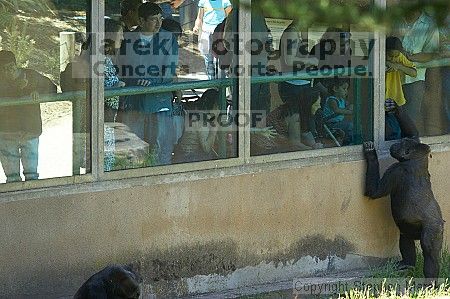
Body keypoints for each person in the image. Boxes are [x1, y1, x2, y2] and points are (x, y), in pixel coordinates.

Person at [118, 2, 179, 166]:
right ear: (141, 20)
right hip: (134, 102)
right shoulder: (127, 39)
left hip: (159, 101)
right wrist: (136, 80)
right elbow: (121, 69)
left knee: (161, 149)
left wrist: (152, 81)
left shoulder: (168, 39)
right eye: (153, 20)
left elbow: (170, 70)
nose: (159, 24)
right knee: (133, 150)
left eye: (160, 19)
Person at [0, 50, 57, 182]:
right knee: (12, 178)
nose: (8, 72)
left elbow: (52, 88)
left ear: (16, 64)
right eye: (4, 69)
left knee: (32, 176)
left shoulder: (31, 76)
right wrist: (18, 88)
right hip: (6, 133)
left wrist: (38, 91)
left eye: (10, 67)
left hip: (29, 131)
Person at [278, 22, 325, 149]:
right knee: (297, 119)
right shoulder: (291, 33)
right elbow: (289, 60)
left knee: (306, 119)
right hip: (293, 86)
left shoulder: (298, 33)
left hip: (301, 84)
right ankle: (304, 147)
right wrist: (310, 60)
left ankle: (312, 146)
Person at [397, 6, 440, 135]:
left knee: (410, 119)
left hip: (414, 80)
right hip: (392, 78)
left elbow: (431, 53)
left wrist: (408, 57)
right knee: (389, 118)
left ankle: (408, 148)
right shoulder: (395, 19)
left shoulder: (429, 24)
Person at [104, 18, 126, 172]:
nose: (123, 38)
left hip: (109, 118)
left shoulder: (109, 59)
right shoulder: (101, 60)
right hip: (102, 120)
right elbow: (98, 89)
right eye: (120, 34)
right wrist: (117, 86)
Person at [384, 36, 417, 140]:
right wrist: (386, 63)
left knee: (396, 129)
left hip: (395, 98)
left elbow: (414, 73)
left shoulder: (399, 58)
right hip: (380, 97)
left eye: (396, 56)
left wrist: (399, 66)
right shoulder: (377, 57)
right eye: (390, 56)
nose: (393, 59)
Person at [173, 89, 219, 163]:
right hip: (189, 158)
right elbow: (206, 148)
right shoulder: (202, 120)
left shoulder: (199, 114)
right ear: (215, 105)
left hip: (183, 155)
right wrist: (214, 129)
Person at [193, 0, 232, 79]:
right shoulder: (203, 1)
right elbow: (199, 17)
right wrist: (196, 26)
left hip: (219, 33)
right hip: (206, 32)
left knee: (218, 59)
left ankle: (221, 82)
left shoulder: (225, 2)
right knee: (208, 58)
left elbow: (230, 19)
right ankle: (211, 81)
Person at [321, 78, 353, 145]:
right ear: (335, 89)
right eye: (344, 89)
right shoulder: (332, 100)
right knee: (350, 125)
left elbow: (345, 108)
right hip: (330, 124)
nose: (346, 91)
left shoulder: (342, 100)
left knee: (351, 124)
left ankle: (348, 141)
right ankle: (348, 143)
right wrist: (350, 112)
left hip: (338, 122)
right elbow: (337, 110)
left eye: (347, 89)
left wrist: (350, 107)